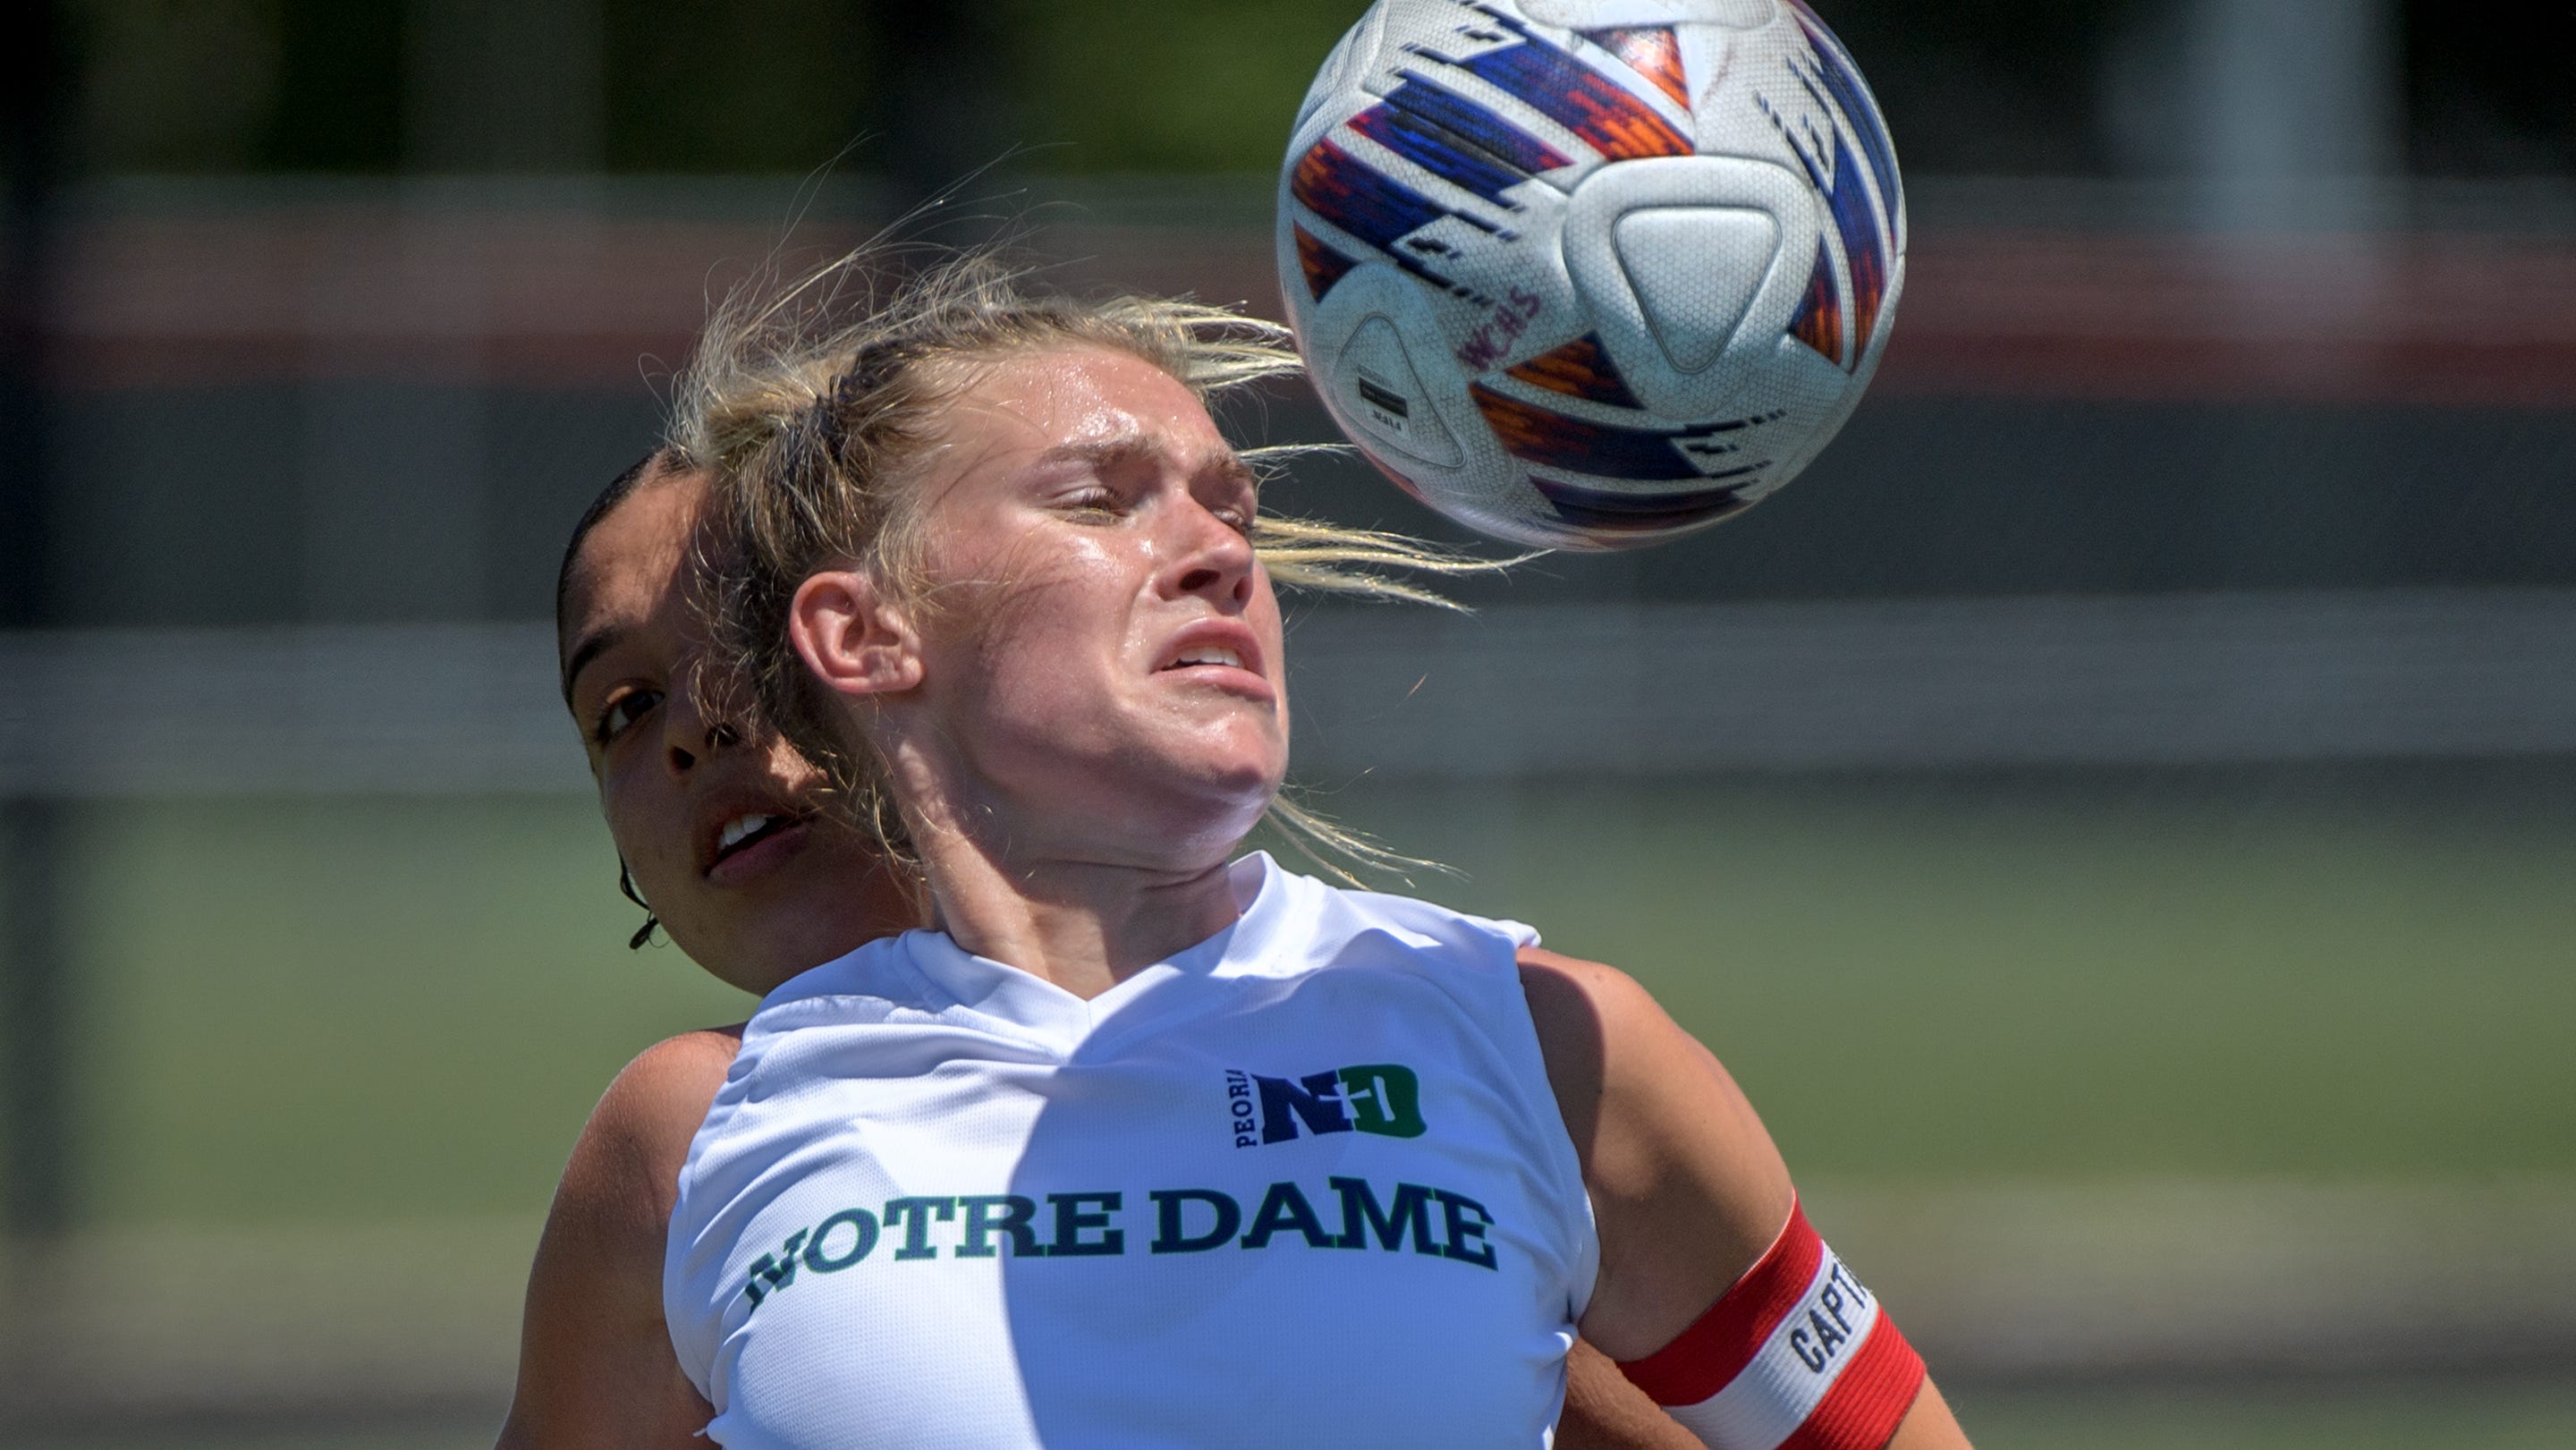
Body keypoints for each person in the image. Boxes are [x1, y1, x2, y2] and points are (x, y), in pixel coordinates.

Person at [604, 249, 1970, 1448]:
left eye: (1230, 510)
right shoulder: (695, 1139)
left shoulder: (1546, 1049)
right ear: (866, 634)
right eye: (1101, 497)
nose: (1215, 554)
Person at [506, 447, 1704, 1448]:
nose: (697, 726)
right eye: (621, 708)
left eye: (760, 642)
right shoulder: (682, 1140)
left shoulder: (1410, 1034)